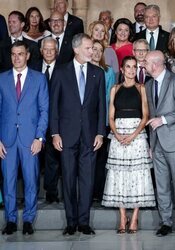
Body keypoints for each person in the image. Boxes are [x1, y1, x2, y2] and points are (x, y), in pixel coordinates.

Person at [50, 33, 106, 236]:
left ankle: (84, 221)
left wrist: (100, 132)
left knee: (87, 179)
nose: (93, 51)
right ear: (76, 49)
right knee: (68, 179)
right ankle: (71, 222)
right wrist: (55, 133)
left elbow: (101, 106)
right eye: (89, 48)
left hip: (91, 136)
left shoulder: (97, 73)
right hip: (66, 136)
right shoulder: (60, 72)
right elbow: (53, 106)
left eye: (92, 48)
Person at [102, 56, 155, 234]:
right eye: (128, 67)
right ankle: (123, 217)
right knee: (120, 176)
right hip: (118, 135)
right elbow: (111, 116)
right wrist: (117, 134)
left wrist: (133, 135)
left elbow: (145, 115)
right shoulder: (115, 89)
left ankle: (134, 218)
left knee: (138, 175)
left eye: (134, 67)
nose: (131, 70)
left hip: (137, 135)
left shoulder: (142, 88)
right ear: (122, 70)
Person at [0, 41, 49, 235]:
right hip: (7, 140)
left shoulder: (39, 79)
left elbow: (44, 110)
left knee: (31, 180)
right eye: (13, 54)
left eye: (20, 54)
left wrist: (40, 137)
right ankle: (10, 220)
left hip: (31, 139)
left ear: (27, 55)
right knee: (8, 181)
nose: (16, 57)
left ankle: (28, 219)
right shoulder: (1, 79)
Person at [145, 50, 175, 237]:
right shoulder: (149, 85)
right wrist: (151, 144)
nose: (144, 65)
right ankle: (165, 222)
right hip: (157, 144)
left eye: (146, 62)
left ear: (156, 64)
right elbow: (151, 117)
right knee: (162, 185)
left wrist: (164, 119)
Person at [91, 40, 116, 201]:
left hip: (102, 121)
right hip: (85, 122)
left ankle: (98, 193)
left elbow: (110, 98)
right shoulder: (81, 70)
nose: (97, 52)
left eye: (101, 50)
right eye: (94, 49)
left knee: (100, 159)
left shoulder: (108, 71)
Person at [38, 37, 61, 203]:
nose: (48, 52)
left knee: (52, 158)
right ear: (40, 51)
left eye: (52, 49)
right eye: (45, 49)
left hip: (56, 120)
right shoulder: (32, 68)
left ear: (57, 51)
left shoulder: (63, 70)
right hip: (35, 120)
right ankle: (29, 192)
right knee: (33, 158)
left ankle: (51, 191)